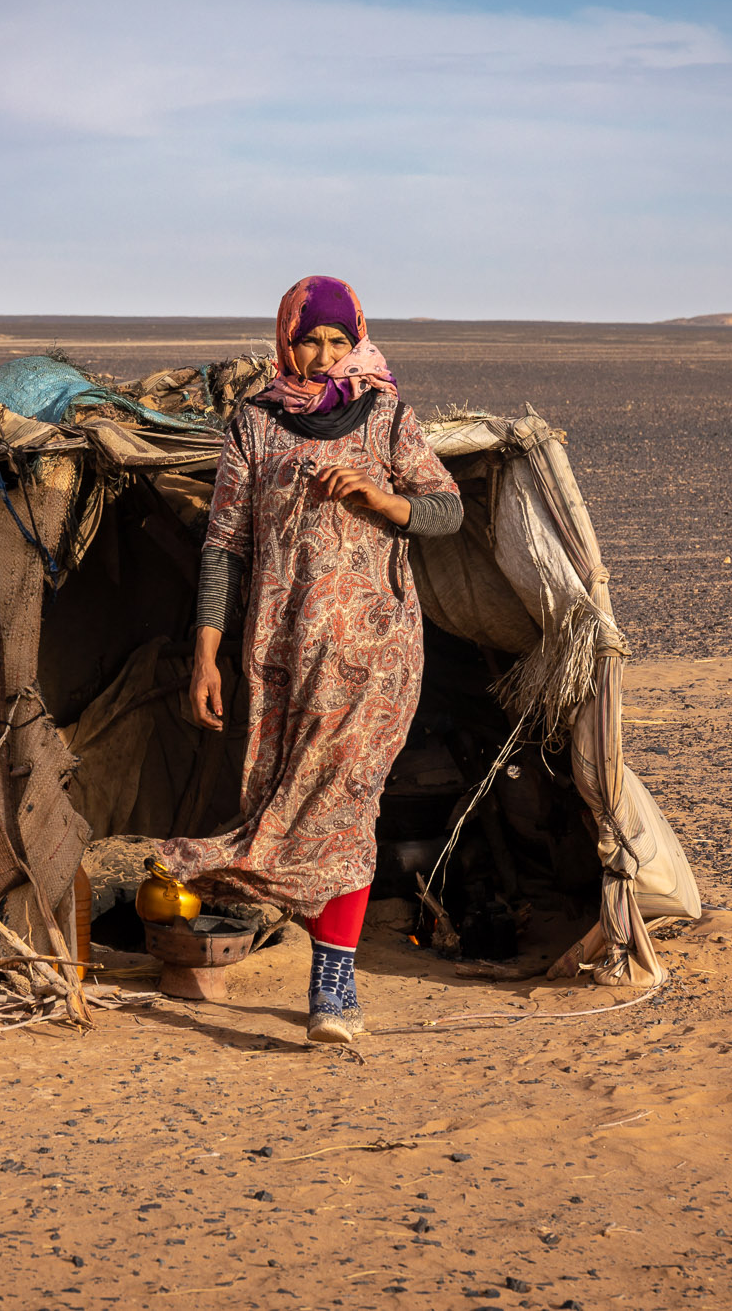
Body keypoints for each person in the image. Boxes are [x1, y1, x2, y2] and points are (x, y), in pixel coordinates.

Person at [155, 275, 463, 1043]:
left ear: (355, 340)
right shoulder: (253, 425)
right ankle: (188, 866)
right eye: (308, 341)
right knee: (289, 809)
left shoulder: (388, 414)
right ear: (285, 340)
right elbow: (224, 546)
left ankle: (334, 988)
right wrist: (206, 658)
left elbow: (445, 509)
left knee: (347, 807)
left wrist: (379, 499)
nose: (324, 356)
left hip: (376, 650)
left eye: (337, 341)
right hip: (281, 651)